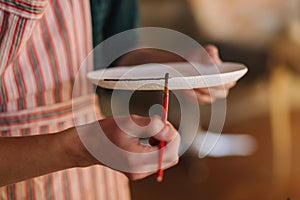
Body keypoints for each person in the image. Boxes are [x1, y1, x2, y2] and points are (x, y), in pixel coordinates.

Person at [0, 0, 235, 199]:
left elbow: (115, 54)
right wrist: (82, 148)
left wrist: (178, 68)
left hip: (92, 177)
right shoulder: (85, 147)